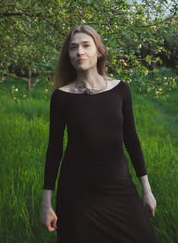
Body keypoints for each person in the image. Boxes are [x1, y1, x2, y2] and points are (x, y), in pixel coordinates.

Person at [41, 25, 159, 242]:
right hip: (77, 193)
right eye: (73, 48)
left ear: (99, 51)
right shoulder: (61, 97)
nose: (80, 52)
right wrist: (47, 204)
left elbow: (132, 140)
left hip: (119, 186)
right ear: (68, 55)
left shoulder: (120, 90)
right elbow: (54, 151)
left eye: (86, 45)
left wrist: (147, 189)